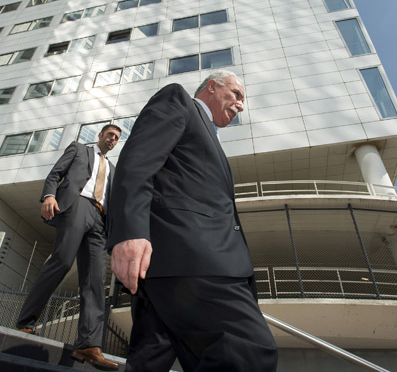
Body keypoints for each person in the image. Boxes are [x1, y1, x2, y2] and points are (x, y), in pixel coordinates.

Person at [107, 71, 278, 372]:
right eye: (236, 94)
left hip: (168, 273)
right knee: (247, 350)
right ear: (212, 86)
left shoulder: (213, 137)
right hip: (194, 261)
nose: (241, 105)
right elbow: (136, 163)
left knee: (149, 363)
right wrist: (128, 232)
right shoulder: (178, 101)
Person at [17, 124, 121, 371]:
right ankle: (26, 321)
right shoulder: (78, 149)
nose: (113, 139)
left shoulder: (114, 170)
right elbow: (55, 174)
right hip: (77, 206)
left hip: (99, 219)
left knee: (95, 279)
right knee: (62, 261)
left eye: (117, 138)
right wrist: (49, 196)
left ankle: (88, 343)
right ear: (101, 135)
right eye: (110, 135)